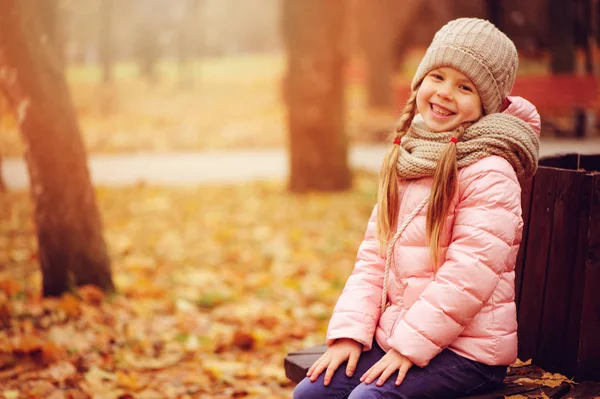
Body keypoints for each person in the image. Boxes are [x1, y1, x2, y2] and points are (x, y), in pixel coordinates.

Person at [293, 17, 541, 399]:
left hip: (467, 352)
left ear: (486, 103)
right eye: (437, 77)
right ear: (420, 79)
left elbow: (467, 277)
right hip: (403, 334)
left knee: (368, 398)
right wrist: (350, 334)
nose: (444, 93)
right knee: (312, 393)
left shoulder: (490, 171)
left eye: (465, 87)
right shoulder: (410, 155)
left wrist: (409, 346)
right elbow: (374, 259)